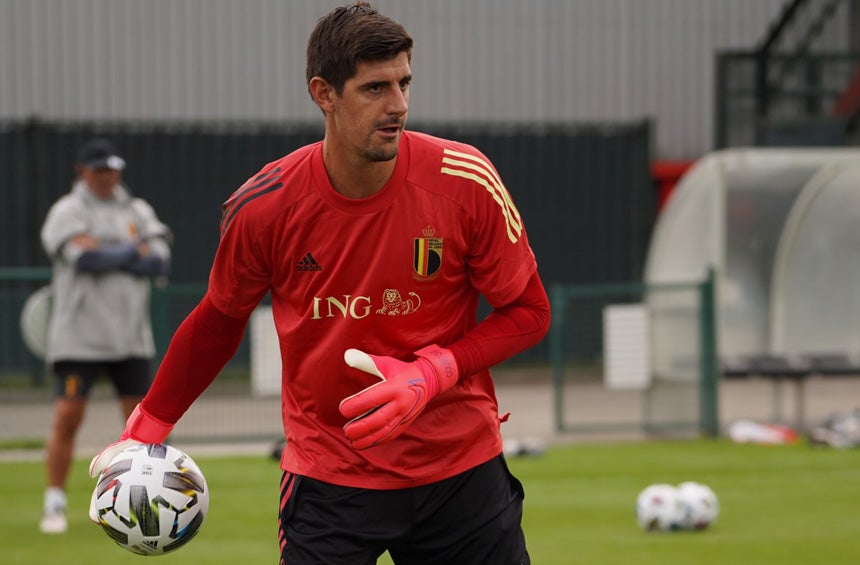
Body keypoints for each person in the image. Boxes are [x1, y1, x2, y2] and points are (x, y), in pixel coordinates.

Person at [87, 3, 550, 564]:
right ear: (323, 93)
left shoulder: (465, 179)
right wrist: (150, 422)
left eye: (404, 83)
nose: (398, 106)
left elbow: (529, 311)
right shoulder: (264, 207)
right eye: (375, 88)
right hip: (330, 478)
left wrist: (433, 373)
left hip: (460, 472)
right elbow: (219, 320)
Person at [38, 137, 172, 534]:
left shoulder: (136, 208)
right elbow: (84, 257)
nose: (107, 177)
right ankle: (55, 503)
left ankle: (146, 504)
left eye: (112, 169)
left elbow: (160, 259)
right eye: (99, 170)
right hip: (79, 337)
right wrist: (133, 250)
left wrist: (113, 252)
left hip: (130, 336)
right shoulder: (67, 210)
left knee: (145, 426)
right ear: (82, 172)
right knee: (69, 415)